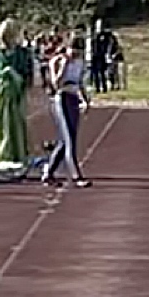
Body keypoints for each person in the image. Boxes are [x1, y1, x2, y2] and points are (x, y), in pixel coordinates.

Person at [45, 33, 91, 188]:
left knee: (65, 140)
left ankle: (48, 173)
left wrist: (85, 100)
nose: (75, 55)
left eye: (79, 52)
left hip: (73, 98)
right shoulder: (57, 61)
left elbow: (80, 83)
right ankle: (76, 176)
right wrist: (63, 67)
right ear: (68, 48)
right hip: (61, 98)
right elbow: (56, 84)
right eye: (74, 50)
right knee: (70, 138)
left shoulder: (80, 63)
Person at [0, 19, 29, 168]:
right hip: (1, 92)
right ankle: (0, 156)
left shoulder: (22, 53)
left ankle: (18, 156)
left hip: (16, 91)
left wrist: (21, 83)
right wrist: (3, 72)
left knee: (17, 123)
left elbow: (26, 72)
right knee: (0, 122)